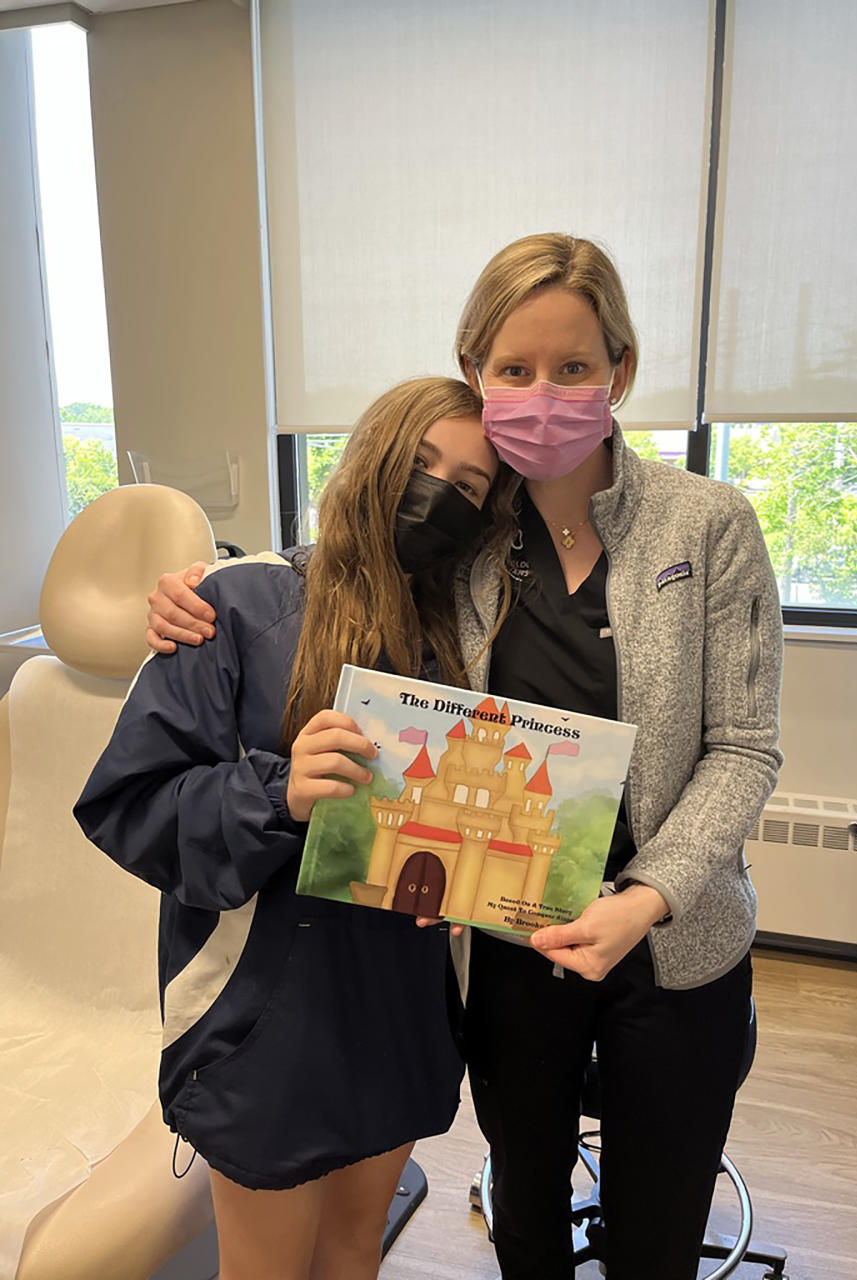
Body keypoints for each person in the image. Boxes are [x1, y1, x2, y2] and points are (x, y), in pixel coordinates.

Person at [146, 233, 784, 1280]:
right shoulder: (471, 535)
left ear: (619, 370)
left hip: (672, 940)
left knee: (657, 1230)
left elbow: (746, 750)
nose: (545, 393)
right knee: (523, 1209)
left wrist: (647, 896)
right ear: (477, 371)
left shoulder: (706, 523)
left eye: (574, 367)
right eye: (515, 369)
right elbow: (339, 567)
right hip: (510, 932)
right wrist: (198, 588)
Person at [74, 377, 518, 1280]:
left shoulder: (464, 643)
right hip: (264, 1021)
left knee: (355, 1253)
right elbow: (128, 806)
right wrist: (279, 796)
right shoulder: (233, 606)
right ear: (370, 455)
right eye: (421, 462)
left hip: (399, 1006)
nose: (439, 495)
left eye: (469, 487)